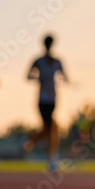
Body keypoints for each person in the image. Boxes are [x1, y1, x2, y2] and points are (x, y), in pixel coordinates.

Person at [24, 34, 67, 171]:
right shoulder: (38, 61)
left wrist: (63, 79)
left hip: (53, 99)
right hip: (42, 99)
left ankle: (29, 141)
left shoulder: (57, 61)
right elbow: (28, 76)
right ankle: (51, 159)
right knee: (51, 128)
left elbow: (64, 76)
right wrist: (37, 78)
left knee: (48, 129)